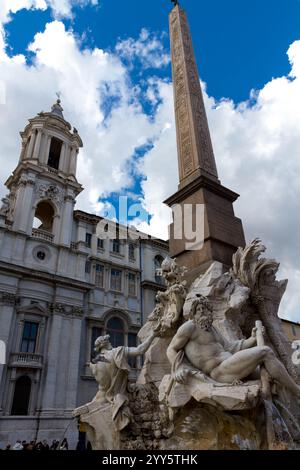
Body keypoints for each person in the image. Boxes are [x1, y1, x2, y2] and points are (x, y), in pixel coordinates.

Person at [167, 295, 300, 398]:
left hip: (231, 365)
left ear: (209, 312)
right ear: (193, 314)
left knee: (275, 378)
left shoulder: (213, 330)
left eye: (205, 309)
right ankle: (298, 392)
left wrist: (252, 338)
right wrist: (178, 368)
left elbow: (231, 347)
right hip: (219, 372)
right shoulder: (189, 327)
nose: (202, 312)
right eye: (198, 310)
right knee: (265, 352)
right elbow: (171, 348)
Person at [90, 331, 157, 430]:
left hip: (100, 397)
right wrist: (153, 335)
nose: (111, 343)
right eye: (109, 341)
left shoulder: (95, 362)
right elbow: (140, 350)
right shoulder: (116, 352)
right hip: (118, 396)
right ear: (106, 343)